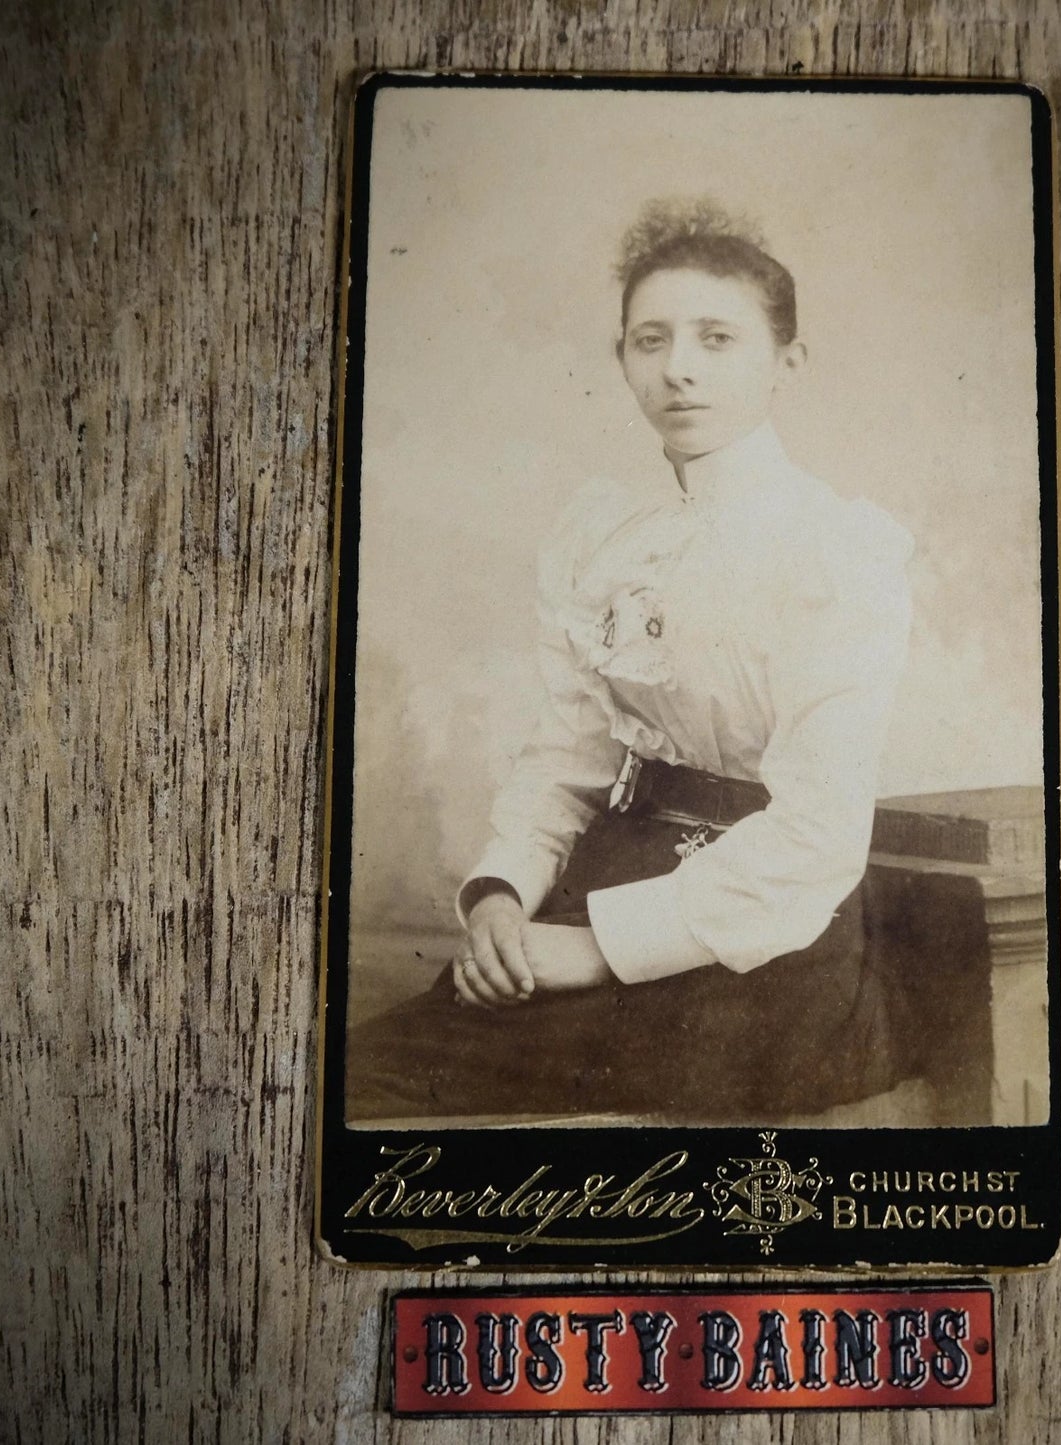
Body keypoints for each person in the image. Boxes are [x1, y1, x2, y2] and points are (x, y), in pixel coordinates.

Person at [347, 199, 920, 1123]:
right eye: (648, 340)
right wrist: (500, 897)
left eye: (717, 338)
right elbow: (570, 753)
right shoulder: (606, 538)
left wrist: (592, 949)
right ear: (621, 360)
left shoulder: (837, 552)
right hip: (607, 879)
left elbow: (816, 834)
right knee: (361, 1074)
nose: (678, 369)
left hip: (760, 940)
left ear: (788, 363)